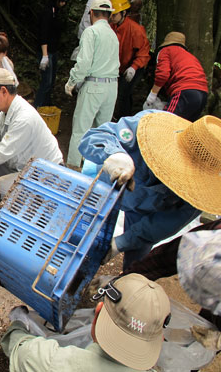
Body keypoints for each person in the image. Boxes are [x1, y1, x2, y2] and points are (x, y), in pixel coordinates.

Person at [79, 110, 221, 270]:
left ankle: (121, 285)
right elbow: (93, 138)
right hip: (106, 188)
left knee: (136, 262)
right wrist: (115, 153)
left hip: (144, 212)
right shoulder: (147, 127)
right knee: (80, 233)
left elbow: (164, 224)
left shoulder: (202, 194)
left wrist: (120, 244)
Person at [1, 273, 171, 371]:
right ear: (160, 339)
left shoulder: (49, 361)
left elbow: (19, 347)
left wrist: (18, 323)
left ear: (97, 315)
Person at [122, 221, 221, 352]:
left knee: (200, 347)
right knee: (201, 329)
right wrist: (123, 280)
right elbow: (160, 260)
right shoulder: (210, 238)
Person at [65, 0, 119, 169]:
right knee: (102, 132)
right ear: (109, 15)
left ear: (91, 13)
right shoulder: (113, 35)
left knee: (80, 130)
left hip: (94, 84)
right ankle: (94, 169)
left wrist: (72, 82)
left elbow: (84, 63)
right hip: (112, 87)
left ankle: (73, 168)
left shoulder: (91, 32)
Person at [144, 32, 208, 122]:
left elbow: (162, 75)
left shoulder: (165, 51)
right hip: (203, 93)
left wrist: (152, 95)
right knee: (186, 127)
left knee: (167, 123)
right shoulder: (191, 56)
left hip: (184, 91)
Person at [109, 0, 150, 119]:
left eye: (114, 15)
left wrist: (134, 67)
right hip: (119, 66)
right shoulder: (111, 26)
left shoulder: (136, 30)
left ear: (124, 13)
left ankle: (124, 120)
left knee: (124, 93)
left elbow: (143, 53)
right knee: (120, 93)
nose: (112, 17)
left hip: (135, 66)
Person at [33, 0, 71, 108]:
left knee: (51, 82)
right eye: (62, 0)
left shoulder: (57, 11)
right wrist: (45, 55)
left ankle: (46, 105)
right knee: (46, 82)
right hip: (46, 51)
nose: (63, 3)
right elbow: (43, 34)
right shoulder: (47, 11)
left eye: (65, 1)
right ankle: (37, 107)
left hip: (54, 51)